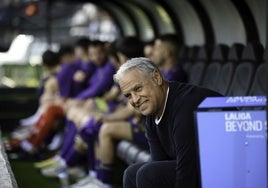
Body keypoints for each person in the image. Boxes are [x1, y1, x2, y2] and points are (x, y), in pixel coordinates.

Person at [112, 57, 221, 188]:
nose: (134, 100)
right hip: (195, 167)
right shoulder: (152, 113)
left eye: (138, 89)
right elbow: (159, 163)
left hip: (223, 169)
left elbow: (187, 173)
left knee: (147, 174)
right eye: (128, 95)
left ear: (157, 78)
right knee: (131, 173)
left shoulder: (185, 105)